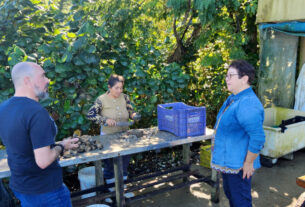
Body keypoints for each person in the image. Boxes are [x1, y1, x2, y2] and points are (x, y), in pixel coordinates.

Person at [0, 62, 79, 207]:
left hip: (21, 186)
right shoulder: (36, 113)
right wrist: (61, 146)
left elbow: (21, 144)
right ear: (27, 80)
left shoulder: (3, 108)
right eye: (43, 76)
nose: (48, 80)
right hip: (45, 190)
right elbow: (43, 161)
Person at [211, 60, 265, 207]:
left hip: (240, 166)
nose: (226, 79)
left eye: (230, 75)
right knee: (233, 197)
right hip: (231, 163)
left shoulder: (247, 103)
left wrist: (248, 163)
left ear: (244, 79)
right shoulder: (235, 98)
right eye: (226, 75)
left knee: (240, 200)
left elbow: (258, 137)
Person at [86, 74, 140, 195]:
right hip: (108, 136)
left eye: (121, 88)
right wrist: (104, 120)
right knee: (110, 163)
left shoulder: (125, 97)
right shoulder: (101, 100)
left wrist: (134, 116)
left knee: (125, 161)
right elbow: (90, 115)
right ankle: (112, 190)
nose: (119, 91)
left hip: (125, 135)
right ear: (109, 87)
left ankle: (122, 188)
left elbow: (131, 111)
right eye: (116, 88)